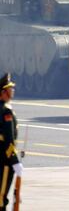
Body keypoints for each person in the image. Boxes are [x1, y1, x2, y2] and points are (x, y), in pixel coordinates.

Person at [0, 73, 22, 210]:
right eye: (9, 89)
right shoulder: (6, 111)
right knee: (1, 198)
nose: (12, 91)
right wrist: (14, 161)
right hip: (4, 161)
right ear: (3, 92)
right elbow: (9, 139)